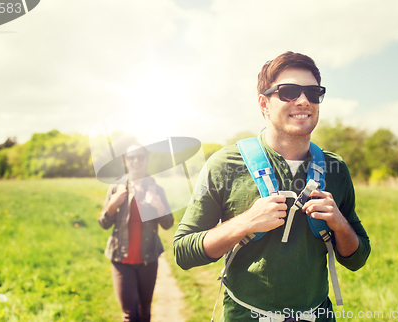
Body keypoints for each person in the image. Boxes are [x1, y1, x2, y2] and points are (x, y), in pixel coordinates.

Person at [173, 52, 371, 321]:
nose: (303, 100)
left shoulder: (336, 169)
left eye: (313, 93)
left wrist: (339, 223)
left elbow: (357, 259)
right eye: (289, 92)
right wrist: (245, 222)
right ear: (264, 103)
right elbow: (184, 251)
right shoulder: (225, 165)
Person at [98, 144, 174, 322]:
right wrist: (112, 205)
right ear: (126, 160)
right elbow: (103, 223)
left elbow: (168, 223)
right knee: (131, 315)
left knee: (144, 311)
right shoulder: (116, 189)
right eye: (132, 157)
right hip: (121, 260)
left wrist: (158, 206)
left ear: (146, 160)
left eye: (141, 157)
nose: (136, 160)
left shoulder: (156, 190)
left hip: (148, 260)